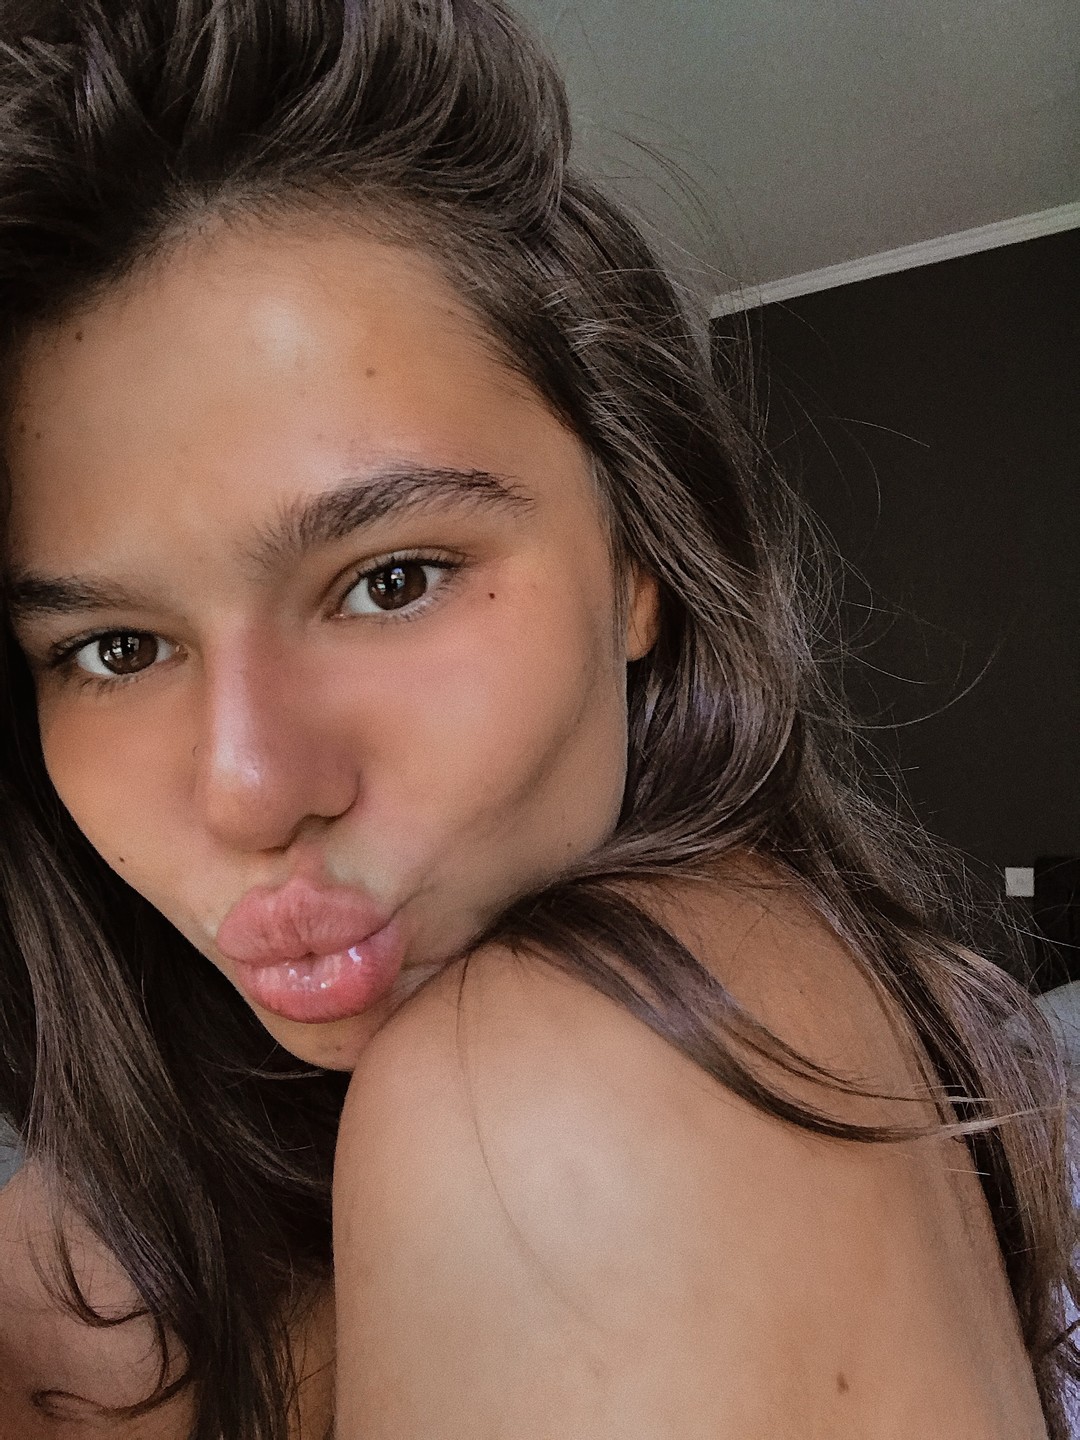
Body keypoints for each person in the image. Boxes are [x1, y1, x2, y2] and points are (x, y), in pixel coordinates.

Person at [0, 0, 1075, 1435]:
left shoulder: (565, 1087)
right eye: (117, 647)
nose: (249, 787)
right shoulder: (94, 1240)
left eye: (392, 579)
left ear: (637, 566)